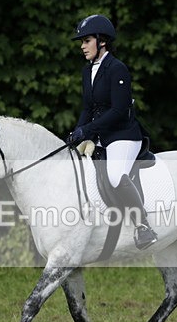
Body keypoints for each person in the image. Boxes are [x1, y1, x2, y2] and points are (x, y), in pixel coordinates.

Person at [67, 14, 158, 250]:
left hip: (123, 135)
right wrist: (77, 131)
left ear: (102, 41)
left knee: (116, 176)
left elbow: (118, 111)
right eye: (82, 42)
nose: (82, 46)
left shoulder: (118, 69)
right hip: (101, 135)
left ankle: (143, 226)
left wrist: (88, 130)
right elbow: (88, 108)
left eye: (86, 41)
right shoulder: (88, 72)